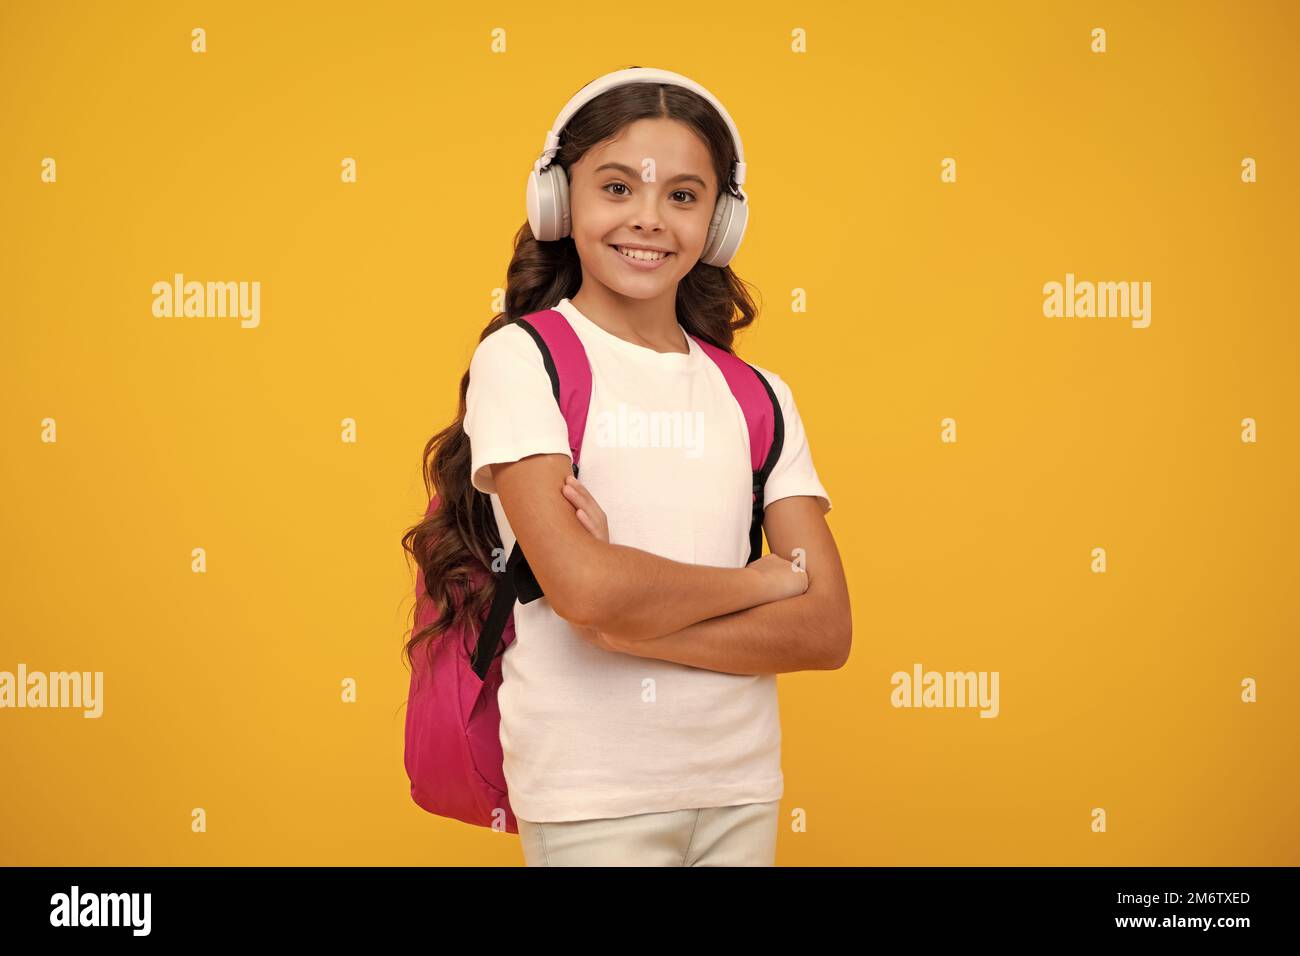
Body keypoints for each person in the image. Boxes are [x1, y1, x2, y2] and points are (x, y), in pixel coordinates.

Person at [405, 67, 851, 866]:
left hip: (740, 787)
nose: (649, 219)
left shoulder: (759, 395)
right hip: (591, 795)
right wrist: (757, 582)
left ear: (720, 222)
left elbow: (825, 629)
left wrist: (627, 627)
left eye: (682, 195)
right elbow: (584, 590)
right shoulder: (526, 358)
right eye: (617, 187)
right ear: (559, 202)